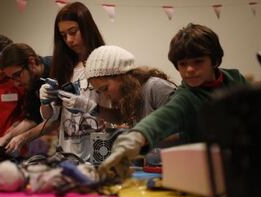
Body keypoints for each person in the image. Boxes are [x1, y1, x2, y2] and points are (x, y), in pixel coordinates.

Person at [99, 23, 248, 178]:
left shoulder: (236, 80)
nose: (189, 69)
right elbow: (162, 118)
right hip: (203, 174)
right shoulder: (186, 97)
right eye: (183, 64)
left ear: (215, 60)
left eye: (198, 61)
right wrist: (134, 138)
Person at [39, 1, 106, 161]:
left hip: (98, 152)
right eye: (63, 35)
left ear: (86, 28)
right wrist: (44, 101)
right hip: (68, 152)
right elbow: (51, 117)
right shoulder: (64, 67)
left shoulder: (104, 63)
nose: (68, 40)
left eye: (73, 31)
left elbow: (116, 115)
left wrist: (86, 105)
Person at [85, 45, 176, 126]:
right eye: (99, 91)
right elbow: (119, 118)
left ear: (121, 76)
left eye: (105, 88)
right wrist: (88, 106)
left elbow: (182, 132)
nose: (105, 96)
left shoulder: (156, 88)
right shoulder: (131, 97)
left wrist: (142, 137)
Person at [0, 43, 52, 154]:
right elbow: (33, 118)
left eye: (17, 75)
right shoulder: (32, 82)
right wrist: (5, 138)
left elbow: (56, 120)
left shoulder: (57, 70)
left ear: (31, 62)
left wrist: (23, 137)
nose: (16, 83)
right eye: (11, 78)